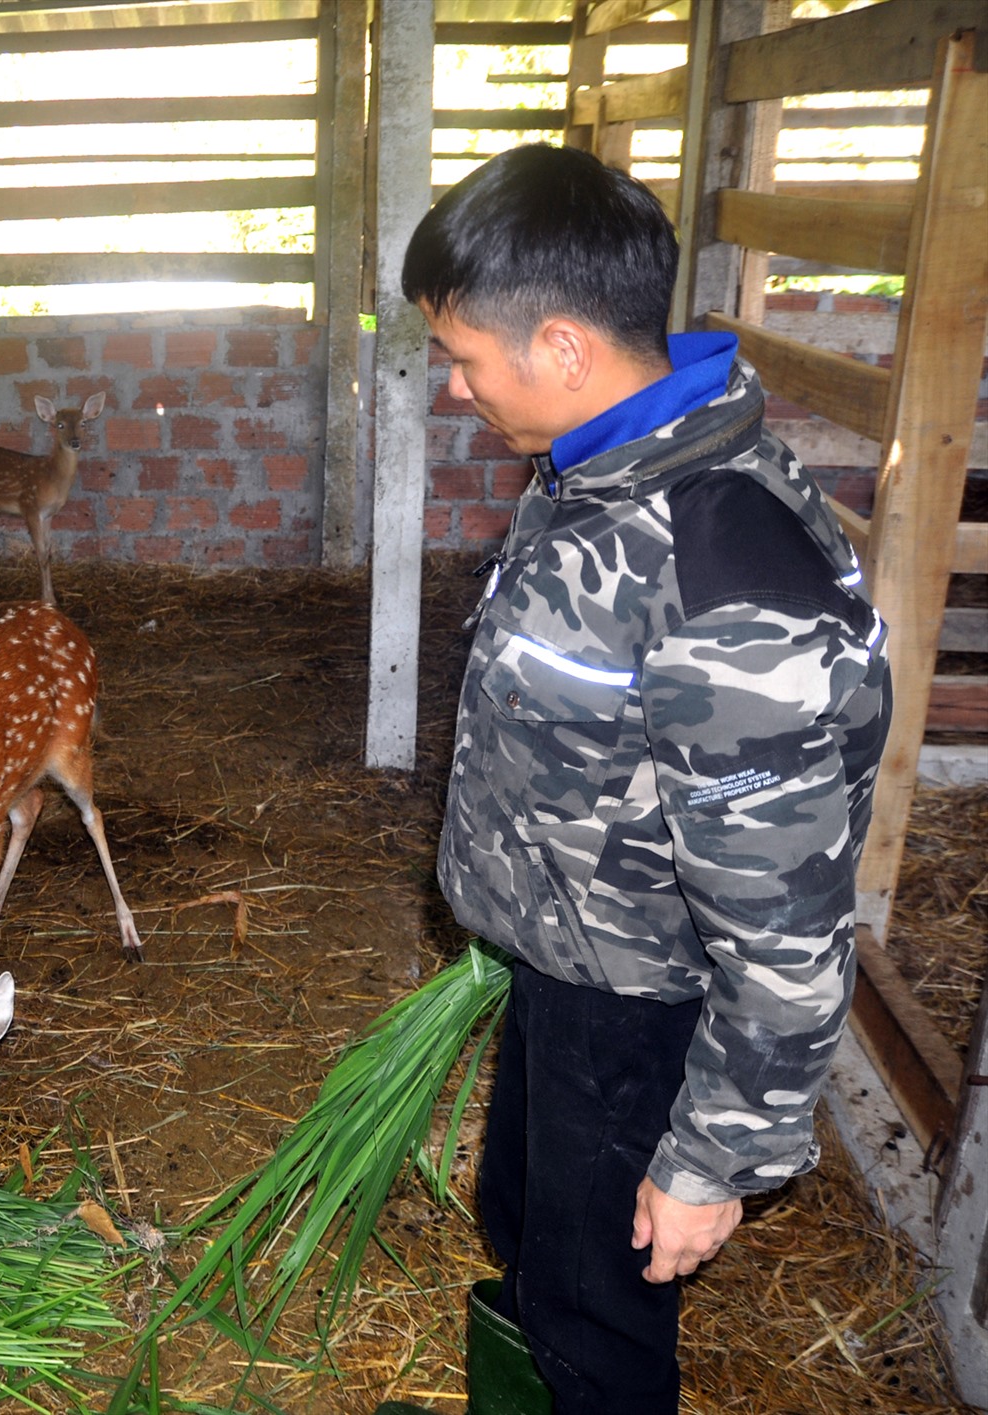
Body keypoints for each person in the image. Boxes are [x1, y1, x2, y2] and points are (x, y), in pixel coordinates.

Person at [380, 144, 892, 1415]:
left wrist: (712, 1156)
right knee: (528, 1222)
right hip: (569, 965)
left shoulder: (726, 583)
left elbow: (785, 930)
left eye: (465, 356)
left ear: (559, 346)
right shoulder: (603, 475)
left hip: (644, 1015)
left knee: (595, 1313)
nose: (455, 385)